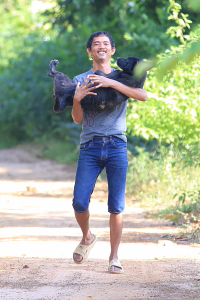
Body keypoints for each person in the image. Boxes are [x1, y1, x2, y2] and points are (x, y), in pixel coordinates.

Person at [72, 31, 147, 274]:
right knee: (79, 202)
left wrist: (110, 83)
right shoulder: (80, 79)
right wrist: (77, 99)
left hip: (117, 145)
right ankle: (87, 237)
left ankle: (114, 257)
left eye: (106, 44)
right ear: (89, 51)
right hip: (90, 147)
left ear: (112, 50)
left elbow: (143, 96)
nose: (101, 47)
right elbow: (77, 119)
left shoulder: (122, 76)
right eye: (96, 44)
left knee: (116, 206)